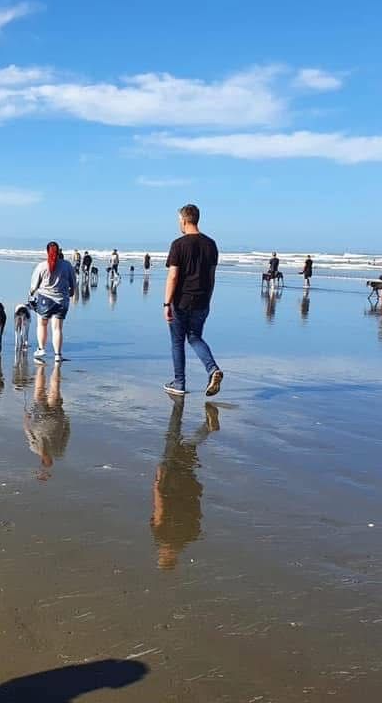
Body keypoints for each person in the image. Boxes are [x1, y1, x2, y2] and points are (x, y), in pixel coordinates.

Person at [151, 398, 218, 570]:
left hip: (189, 488)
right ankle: (189, 417)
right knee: (173, 438)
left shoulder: (188, 538)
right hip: (171, 487)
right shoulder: (162, 536)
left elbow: (197, 515)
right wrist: (158, 482)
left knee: (185, 450)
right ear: (165, 556)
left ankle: (205, 428)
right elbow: (160, 508)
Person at [163, 204, 222, 397]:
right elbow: (212, 276)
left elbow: (173, 276)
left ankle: (179, 382)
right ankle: (212, 369)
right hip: (202, 299)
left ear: (184, 219)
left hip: (181, 301)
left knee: (178, 341)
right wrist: (209, 299)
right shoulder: (211, 244)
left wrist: (166, 303)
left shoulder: (178, 245)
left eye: (179, 220)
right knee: (195, 337)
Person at [29, 241, 76, 363]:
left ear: (47, 252)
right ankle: (58, 355)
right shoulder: (67, 266)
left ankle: (41, 349)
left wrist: (31, 293)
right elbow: (73, 284)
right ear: (59, 251)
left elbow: (34, 286)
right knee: (57, 328)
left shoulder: (42, 266)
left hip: (45, 299)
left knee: (42, 324)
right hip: (62, 300)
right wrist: (71, 293)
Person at [24, 363, 70, 481]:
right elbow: (66, 436)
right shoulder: (59, 451)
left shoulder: (34, 448)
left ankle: (42, 369)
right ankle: (54, 367)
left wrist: (26, 421)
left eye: (45, 462)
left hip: (39, 419)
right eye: (49, 462)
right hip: (56, 419)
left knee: (40, 392)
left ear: (42, 460)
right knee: (54, 392)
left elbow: (29, 434)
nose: (48, 460)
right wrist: (67, 421)